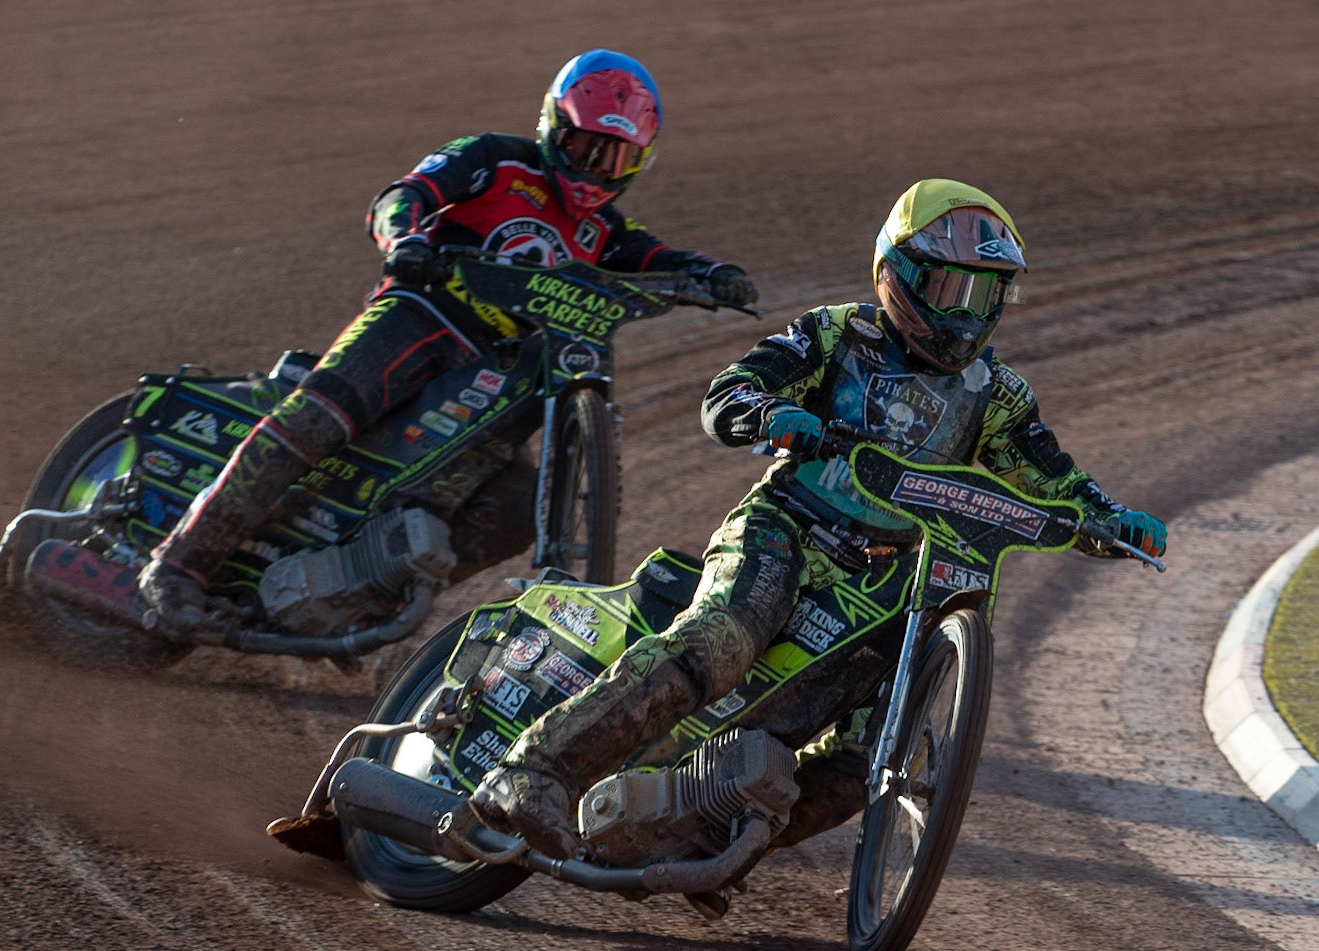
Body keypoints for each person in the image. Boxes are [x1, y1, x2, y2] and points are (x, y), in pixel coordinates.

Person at [469, 178, 1168, 859]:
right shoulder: (835, 335)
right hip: (787, 530)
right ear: (898, 274)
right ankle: (535, 770)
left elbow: (1055, 482)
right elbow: (731, 392)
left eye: (984, 294)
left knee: (864, 756)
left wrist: (1111, 522)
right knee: (722, 640)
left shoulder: (999, 394)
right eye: (952, 289)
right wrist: (773, 414)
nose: (965, 313)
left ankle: (709, 838)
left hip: (892, 580)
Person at [137, 50, 757, 630]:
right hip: (421, 315)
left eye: (613, 158)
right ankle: (176, 566)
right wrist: (404, 240)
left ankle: (358, 603)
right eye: (582, 147)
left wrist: (714, 274)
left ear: (637, 163)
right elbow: (402, 196)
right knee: (316, 419)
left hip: (499, 372)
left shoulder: (606, 231)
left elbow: (657, 257)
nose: (594, 169)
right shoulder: (495, 158)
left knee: (516, 506)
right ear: (551, 127)